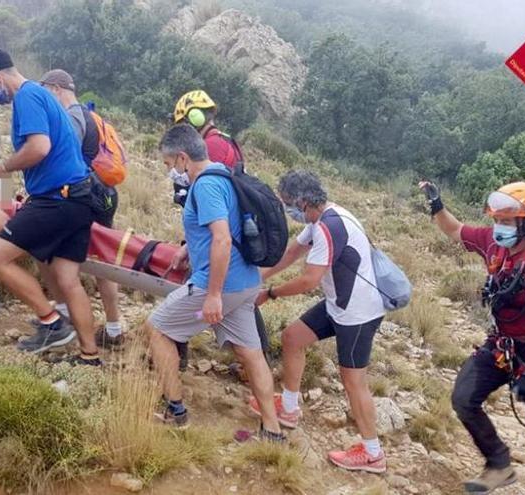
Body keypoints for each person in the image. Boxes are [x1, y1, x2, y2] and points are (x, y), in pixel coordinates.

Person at [419, 180, 525, 494]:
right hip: (502, 344)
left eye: (506, 221)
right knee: (463, 398)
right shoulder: (493, 242)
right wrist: (437, 205)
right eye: (497, 220)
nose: (499, 227)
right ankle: (499, 464)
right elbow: (455, 230)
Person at [145, 124, 283, 441]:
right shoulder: (223, 173)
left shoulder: (204, 186)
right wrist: (186, 249)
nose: (170, 172)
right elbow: (223, 229)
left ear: (182, 158)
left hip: (220, 288)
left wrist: (213, 296)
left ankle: (175, 410)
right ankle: (272, 431)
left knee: (157, 328)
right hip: (247, 283)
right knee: (251, 354)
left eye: (169, 165)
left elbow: (221, 239)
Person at [0, 49, 99, 364]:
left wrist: (2, 168)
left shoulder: (26, 97)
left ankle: (51, 322)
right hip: (79, 197)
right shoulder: (42, 95)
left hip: (57, 200)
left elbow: (39, 148)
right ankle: (90, 355)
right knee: (68, 280)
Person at [254, 171, 387, 472]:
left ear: (302, 201)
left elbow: (309, 280)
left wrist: (270, 293)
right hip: (339, 303)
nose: (287, 210)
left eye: (288, 204)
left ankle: (373, 453)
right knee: (292, 338)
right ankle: (288, 409)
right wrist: (260, 275)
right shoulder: (324, 217)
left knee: (353, 382)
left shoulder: (328, 228)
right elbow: (293, 252)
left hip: (358, 313)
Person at [39, 68, 123, 347]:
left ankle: (65, 316)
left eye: (45, 91)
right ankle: (113, 328)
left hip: (84, 197)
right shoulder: (92, 116)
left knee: (53, 252)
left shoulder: (72, 116)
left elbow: (63, 159)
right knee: (101, 261)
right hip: (104, 194)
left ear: (55, 88)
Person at [171, 90, 246, 368]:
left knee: (195, 294)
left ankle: (175, 349)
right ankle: (250, 358)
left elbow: (209, 203)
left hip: (216, 237)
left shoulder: (210, 148)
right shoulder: (228, 142)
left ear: (194, 117)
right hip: (226, 235)